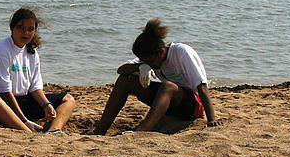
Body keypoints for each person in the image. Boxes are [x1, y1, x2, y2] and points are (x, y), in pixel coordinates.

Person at [93, 19, 221, 134]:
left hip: (193, 106)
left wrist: (211, 119)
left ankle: (142, 131)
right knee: (125, 80)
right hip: (170, 104)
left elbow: (202, 87)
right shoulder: (148, 59)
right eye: (144, 61)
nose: (148, 64)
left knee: (168, 86)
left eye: (149, 61)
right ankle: (100, 130)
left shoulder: (181, 52)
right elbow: (121, 70)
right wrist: (140, 67)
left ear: (160, 52)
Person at [0, 8, 76, 135]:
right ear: (12, 28)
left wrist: (46, 105)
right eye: (20, 27)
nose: (25, 32)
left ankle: (53, 131)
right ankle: (29, 133)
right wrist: (24, 120)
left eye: (30, 29)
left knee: (68, 99)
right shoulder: (1, 51)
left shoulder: (32, 52)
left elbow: (35, 87)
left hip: (21, 99)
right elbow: (5, 90)